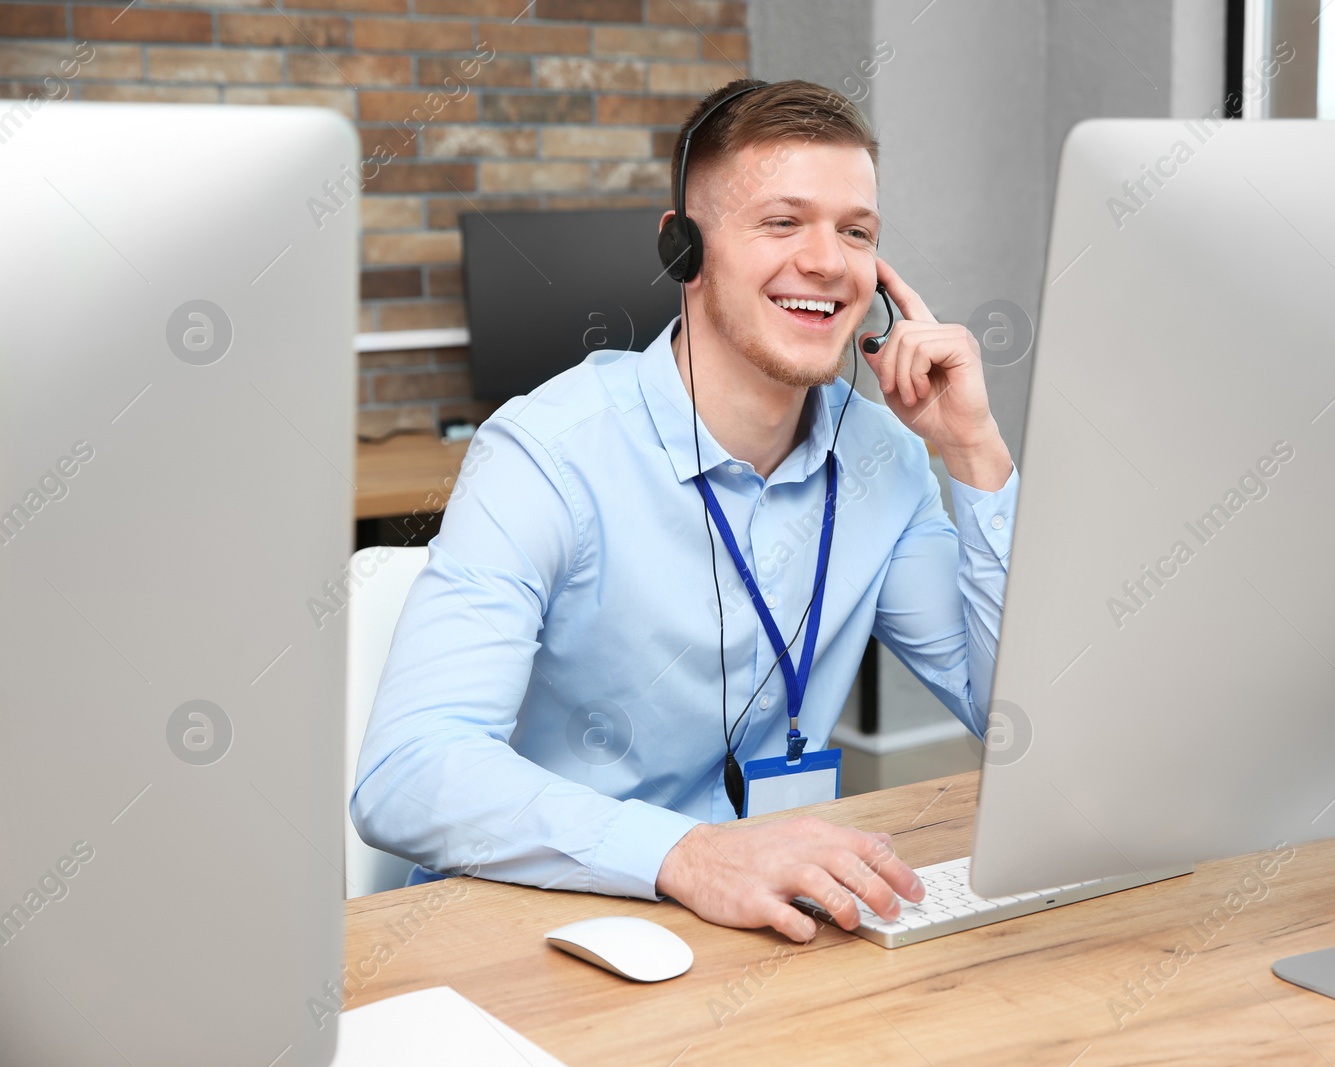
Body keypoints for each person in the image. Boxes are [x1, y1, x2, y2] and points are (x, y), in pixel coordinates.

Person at [352, 78, 1018, 943]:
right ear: (684, 253)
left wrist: (974, 451)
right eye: (783, 222)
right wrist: (693, 855)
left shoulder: (882, 457)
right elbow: (407, 773)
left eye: (856, 232)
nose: (828, 260)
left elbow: (1012, 715)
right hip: (536, 927)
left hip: (766, 932)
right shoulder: (547, 454)